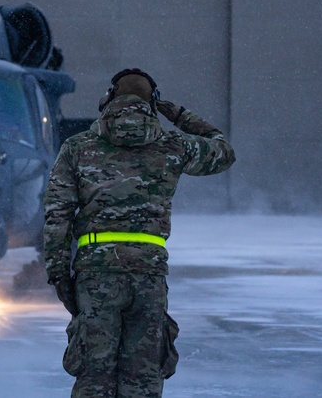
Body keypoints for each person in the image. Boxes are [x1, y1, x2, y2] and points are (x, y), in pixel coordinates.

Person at [43, 68, 236, 398]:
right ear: (153, 103)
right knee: (143, 378)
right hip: (148, 275)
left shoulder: (78, 147)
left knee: (94, 376)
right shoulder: (173, 146)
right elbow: (223, 150)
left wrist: (59, 275)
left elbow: (57, 214)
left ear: (108, 100)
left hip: (96, 275)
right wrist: (178, 114)